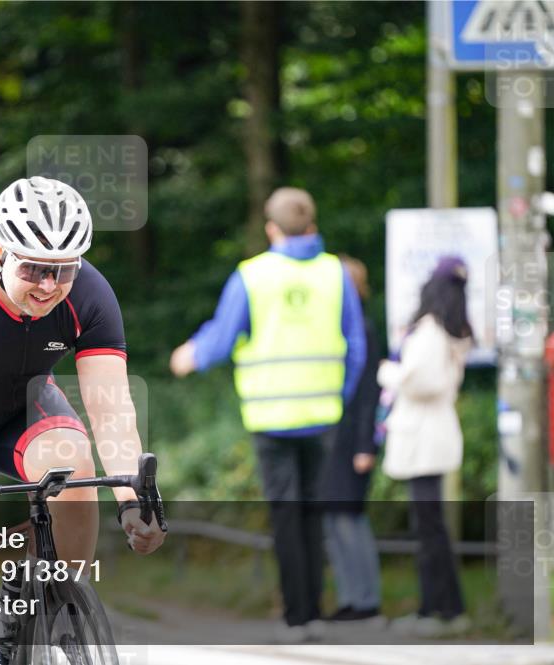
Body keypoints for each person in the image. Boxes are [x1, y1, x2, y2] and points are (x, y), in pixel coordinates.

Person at [0, 176, 166, 665]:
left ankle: (49, 598)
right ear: (1, 250)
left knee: (76, 469)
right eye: (34, 268)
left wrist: (131, 501)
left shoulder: (91, 294)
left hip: (21, 407)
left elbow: (112, 410)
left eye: (63, 271)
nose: (48, 286)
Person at [170, 187, 366, 642]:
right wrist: (338, 394)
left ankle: (296, 618)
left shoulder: (252, 276)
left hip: (272, 419)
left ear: (271, 228)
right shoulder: (335, 274)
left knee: (286, 515)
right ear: (312, 224)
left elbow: (221, 338)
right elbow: (355, 346)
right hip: (323, 415)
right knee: (315, 515)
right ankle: (315, 612)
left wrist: (190, 355)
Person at [378, 256, 472, 637]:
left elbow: (418, 381)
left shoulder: (431, 331)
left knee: (429, 529)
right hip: (436, 431)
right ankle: (448, 607)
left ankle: (437, 610)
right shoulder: (456, 330)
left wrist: (387, 371)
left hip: (422, 435)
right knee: (433, 528)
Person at [318, 255, 384, 625]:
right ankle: (351, 598)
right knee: (334, 518)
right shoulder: (337, 325)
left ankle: (366, 601)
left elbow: (368, 394)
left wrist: (365, 445)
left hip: (352, 441)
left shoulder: (363, 329)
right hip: (333, 438)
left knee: (349, 518)